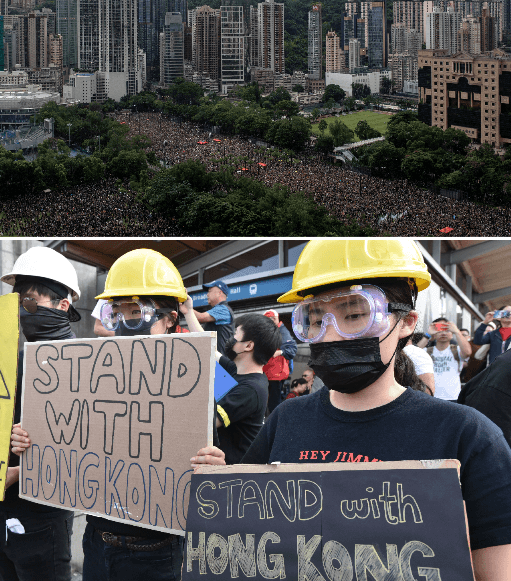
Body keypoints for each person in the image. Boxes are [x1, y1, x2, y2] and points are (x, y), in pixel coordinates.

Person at [191, 238, 511, 578]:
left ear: (406, 322)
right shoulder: (286, 419)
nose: (329, 335)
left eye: (356, 314)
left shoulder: (468, 437)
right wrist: (221, 480)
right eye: (314, 319)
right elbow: (243, 531)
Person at [11, 248, 205, 581]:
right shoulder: (93, 369)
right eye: (117, 312)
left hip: (156, 550)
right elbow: (75, 441)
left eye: (137, 313)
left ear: (170, 318)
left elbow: (235, 454)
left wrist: (219, 464)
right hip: (98, 540)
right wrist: (32, 449)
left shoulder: (205, 375)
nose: (126, 324)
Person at [0, 246, 82, 581]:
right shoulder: (17, 359)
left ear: (62, 305)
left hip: (41, 519)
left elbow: (87, 451)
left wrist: (17, 473)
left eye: (31, 301)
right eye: (18, 302)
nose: (23, 310)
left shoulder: (84, 366)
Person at [215, 313, 280, 464]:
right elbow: (211, 350)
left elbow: (207, 422)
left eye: (235, 334)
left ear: (249, 345)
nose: (231, 340)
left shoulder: (251, 390)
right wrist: (188, 312)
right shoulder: (240, 372)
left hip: (234, 474)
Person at [262, 309, 297, 415]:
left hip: (276, 374)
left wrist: (279, 352)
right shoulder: (271, 331)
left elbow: (292, 349)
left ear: (274, 319)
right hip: (269, 373)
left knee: (273, 403)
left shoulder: (282, 331)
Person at [427, 316, 471, 401]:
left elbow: (467, 352)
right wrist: (428, 334)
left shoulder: (457, 350)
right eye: (439, 330)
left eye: (447, 330)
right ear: (434, 334)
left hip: (453, 397)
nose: (443, 333)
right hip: (431, 398)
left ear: (451, 334)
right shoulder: (427, 351)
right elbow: (412, 355)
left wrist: (457, 332)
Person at [192, 279, 234, 351]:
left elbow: (200, 317)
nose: (207, 294)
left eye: (209, 291)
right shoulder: (219, 309)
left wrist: (185, 304)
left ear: (219, 293)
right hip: (214, 358)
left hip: (219, 360)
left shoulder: (223, 309)